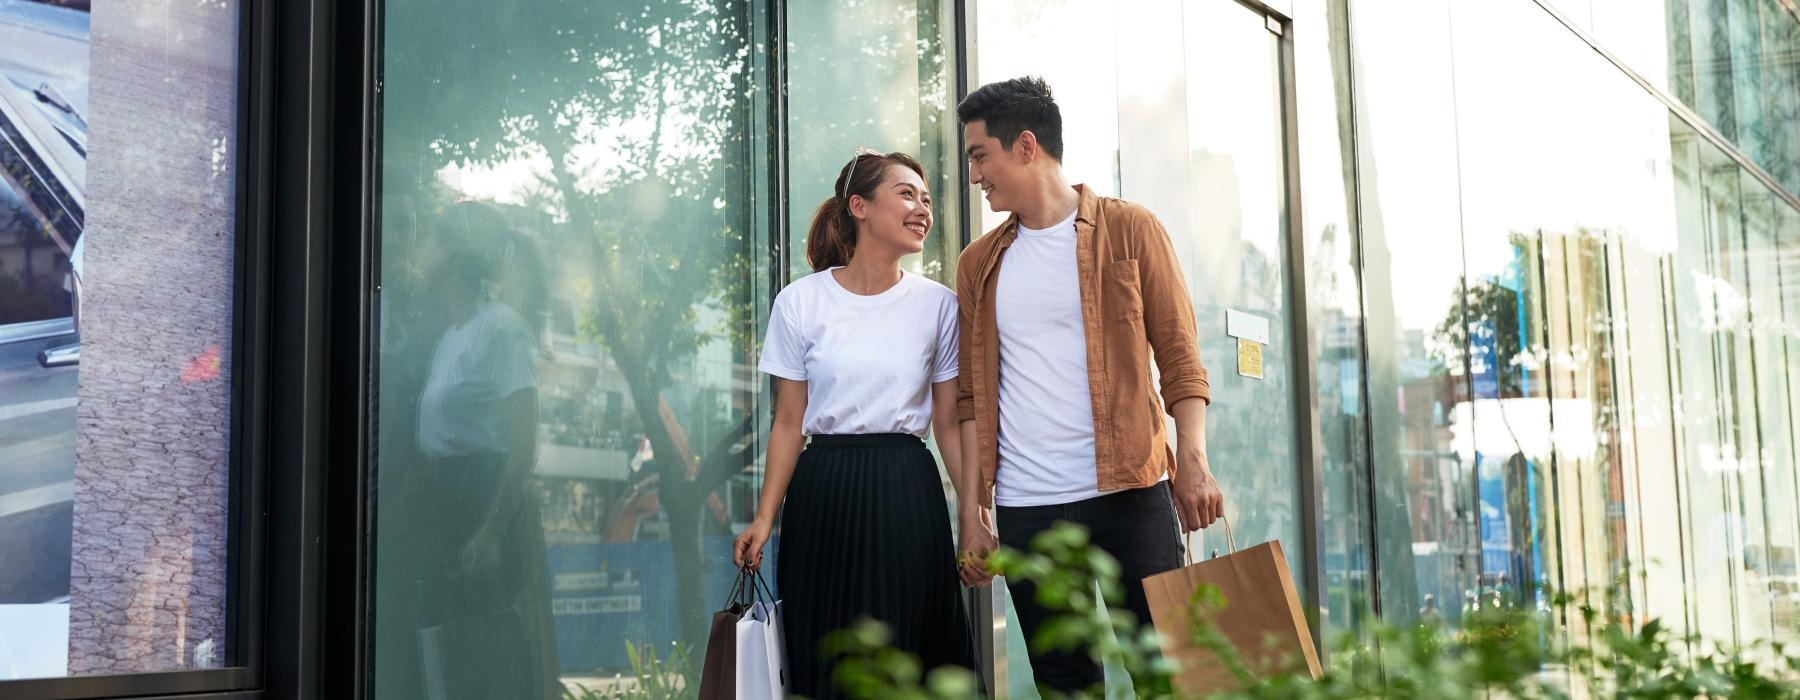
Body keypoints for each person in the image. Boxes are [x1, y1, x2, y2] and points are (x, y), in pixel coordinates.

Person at [952, 76, 1226, 695]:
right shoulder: (979, 265)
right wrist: (972, 512)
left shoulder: (1133, 230)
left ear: (1025, 146)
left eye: (978, 156)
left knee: (1167, 675)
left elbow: (1180, 356)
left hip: (1131, 491)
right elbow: (970, 401)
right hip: (1029, 508)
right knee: (1065, 684)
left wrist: (1194, 462)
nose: (974, 175)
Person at [733, 150, 986, 698]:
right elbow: (788, 422)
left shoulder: (938, 305)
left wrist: (975, 512)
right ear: (859, 207)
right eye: (906, 193)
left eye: (926, 198)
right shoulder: (800, 302)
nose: (922, 207)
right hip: (822, 493)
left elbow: (947, 421)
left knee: (910, 649)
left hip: (906, 491)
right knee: (827, 650)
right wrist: (762, 518)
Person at [405, 201, 560, 699]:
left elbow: (522, 442)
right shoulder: (451, 335)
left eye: (433, 241)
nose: (421, 253)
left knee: (487, 652)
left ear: (453, 257)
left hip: (482, 499)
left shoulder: (501, 328)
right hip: (444, 502)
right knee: (446, 644)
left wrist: (491, 530)